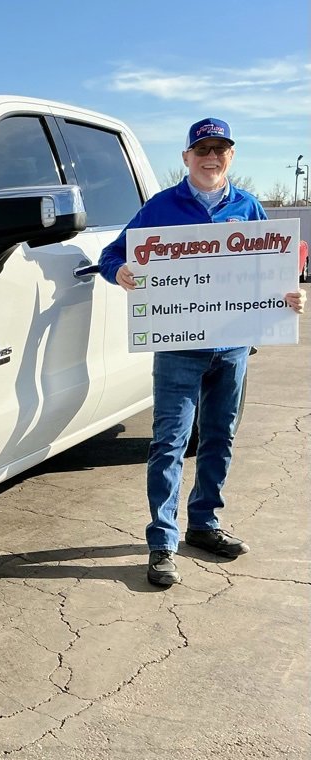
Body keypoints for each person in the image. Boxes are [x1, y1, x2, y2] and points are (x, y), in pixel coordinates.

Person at [98, 117, 307, 587]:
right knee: (168, 443)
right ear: (187, 157)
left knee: (219, 439)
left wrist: (289, 296)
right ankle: (162, 541)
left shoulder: (248, 207)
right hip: (178, 349)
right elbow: (111, 255)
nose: (211, 157)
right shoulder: (160, 207)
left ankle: (204, 524)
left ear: (230, 156)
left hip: (232, 348)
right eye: (202, 149)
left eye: (220, 149)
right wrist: (122, 273)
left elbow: (272, 270)